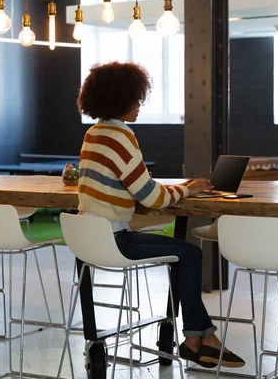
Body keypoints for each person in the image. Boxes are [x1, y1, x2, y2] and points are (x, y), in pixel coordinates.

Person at [75, 60, 245, 368]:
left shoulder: (93, 135)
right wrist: (189, 189)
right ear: (122, 99)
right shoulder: (122, 136)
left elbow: (131, 185)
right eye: (137, 98)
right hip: (115, 241)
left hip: (88, 240)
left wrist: (168, 188)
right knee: (190, 254)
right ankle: (196, 340)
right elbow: (151, 198)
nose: (139, 105)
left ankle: (201, 339)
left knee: (182, 254)